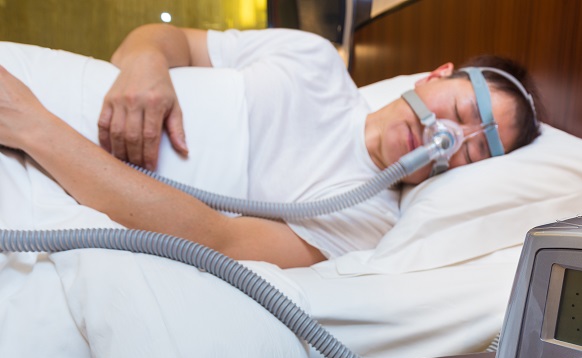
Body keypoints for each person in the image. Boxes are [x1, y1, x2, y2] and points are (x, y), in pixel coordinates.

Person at [0, 24, 540, 268]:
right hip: (35, 83)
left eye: (472, 150)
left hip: (44, 164)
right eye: (464, 112)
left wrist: (34, 129)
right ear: (437, 75)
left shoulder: (368, 220)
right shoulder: (313, 59)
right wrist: (148, 61)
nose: (445, 136)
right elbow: (171, 40)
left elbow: (219, 241)